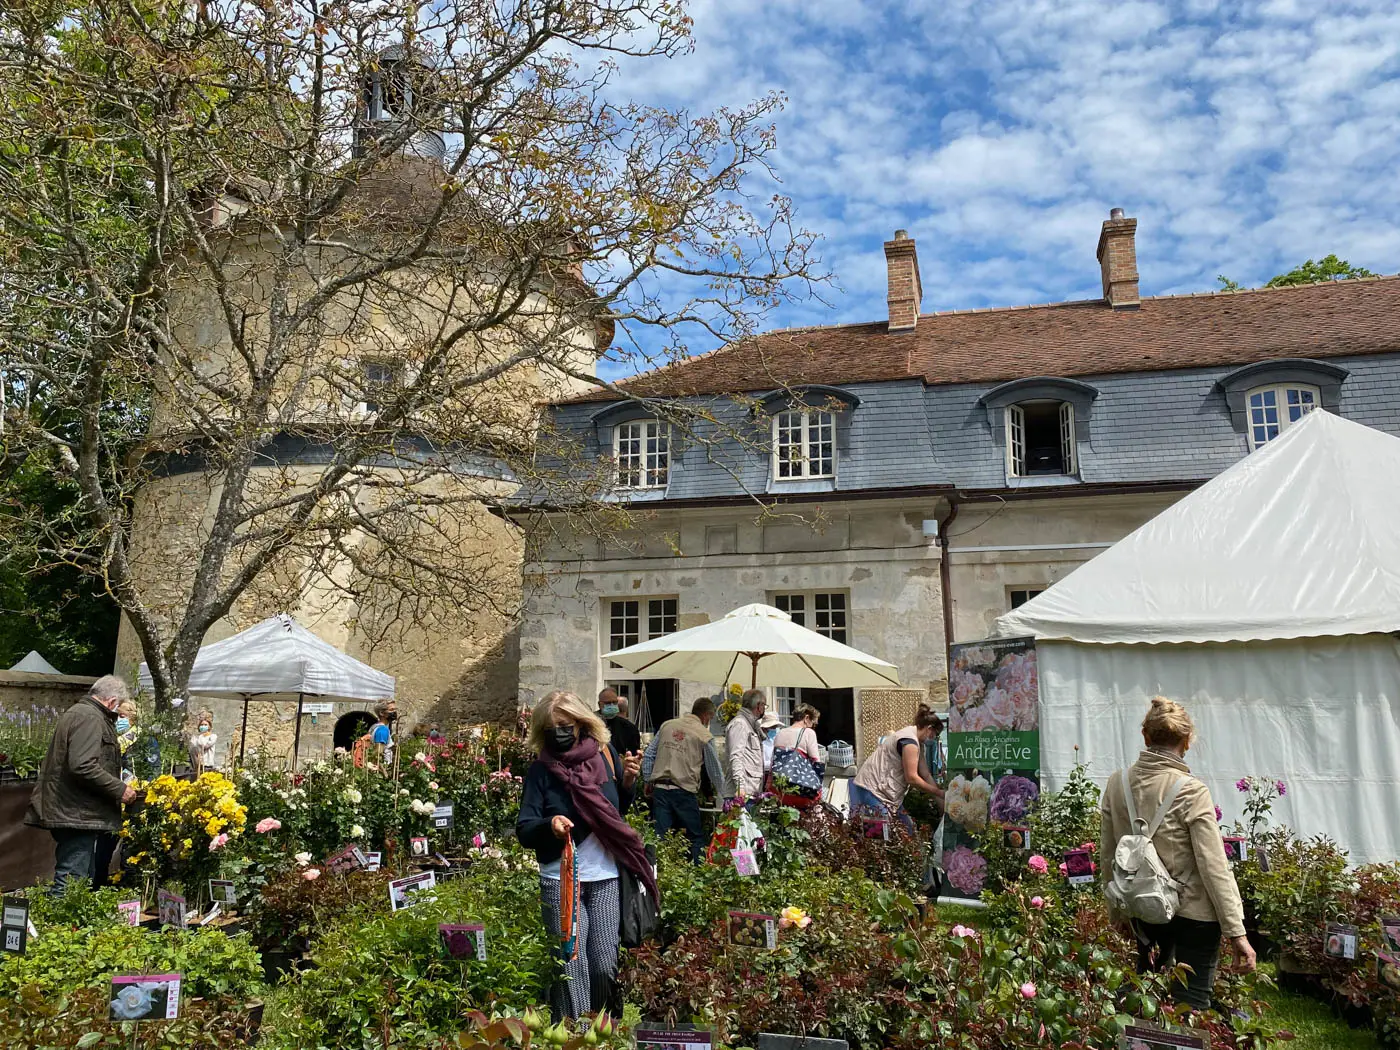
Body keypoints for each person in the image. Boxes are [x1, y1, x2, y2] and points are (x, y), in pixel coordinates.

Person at [1100, 696, 1255, 1010]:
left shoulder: (1117, 784)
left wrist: (1116, 913)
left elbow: (1108, 856)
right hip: (1194, 914)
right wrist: (1236, 932)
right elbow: (1213, 866)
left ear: (1145, 736)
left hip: (1142, 907)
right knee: (1191, 1005)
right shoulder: (1191, 790)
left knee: (1144, 997)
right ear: (1187, 741)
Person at [516, 691, 652, 1021]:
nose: (558, 732)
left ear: (580, 724)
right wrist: (551, 825)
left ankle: (605, 1030)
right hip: (561, 880)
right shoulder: (542, 771)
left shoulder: (604, 757)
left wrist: (629, 783)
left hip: (604, 876)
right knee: (572, 968)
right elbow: (524, 827)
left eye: (564, 725)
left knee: (605, 964)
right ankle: (572, 1036)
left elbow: (613, 810)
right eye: (550, 727)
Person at [25, 676, 139, 893]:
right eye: (118, 708)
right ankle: (59, 924)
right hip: (76, 811)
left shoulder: (82, 713)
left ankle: (70, 923)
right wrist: (120, 789)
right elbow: (83, 765)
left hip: (74, 809)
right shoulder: (90, 718)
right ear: (112, 701)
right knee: (71, 879)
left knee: (81, 876)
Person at [642, 697, 726, 861]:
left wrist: (647, 780)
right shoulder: (704, 735)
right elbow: (714, 770)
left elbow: (649, 755)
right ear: (706, 716)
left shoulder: (667, 725)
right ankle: (697, 877)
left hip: (660, 788)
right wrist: (724, 796)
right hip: (684, 791)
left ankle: (658, 874)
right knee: (695, 837)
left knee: (661, 837)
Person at [849, 703, 945, 833]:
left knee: (908, 830)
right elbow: (912, 778)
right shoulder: (909, 741)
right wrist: (938, 792)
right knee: (877, 836)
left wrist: (941, 804)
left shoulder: (916, 742)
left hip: (885, 793)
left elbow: (926, 774)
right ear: (929, 728)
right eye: (934, 735)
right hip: (873, 790)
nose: (933, 739)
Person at [724, 688, 767, 799]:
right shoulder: (740, 724)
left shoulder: (751, 725)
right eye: (764, 706)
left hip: (751, 792)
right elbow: (736, 756)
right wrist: (740, 787)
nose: (764, 709)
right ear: (758, 706)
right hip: (741, 794)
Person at [354, 700, 397, 768]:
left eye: (395, 709)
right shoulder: (383, 730)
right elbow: (377, 754)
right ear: (382, 713)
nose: (394, 712)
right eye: (391, 710)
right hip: (379, 769)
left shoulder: (374, 727)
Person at [597, 687, 641, 756]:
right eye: (608, 703)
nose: (612, 705)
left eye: (614, 702)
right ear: (600, 704)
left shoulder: (629, 727)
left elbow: (634, 754)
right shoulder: (591, 723)